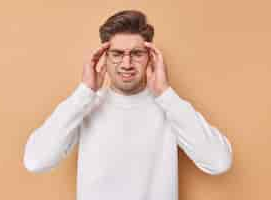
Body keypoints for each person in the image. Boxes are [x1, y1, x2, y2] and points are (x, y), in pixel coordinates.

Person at [23, 9, 233, 200]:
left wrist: (165, 94)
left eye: (136, 54)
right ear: (104, 57)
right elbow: (36, 161)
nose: (126, 64)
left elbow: (219, 162)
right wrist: (84, 91)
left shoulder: (169, 107)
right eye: (117, 54)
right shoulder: (86, 105)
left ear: (150, 57)